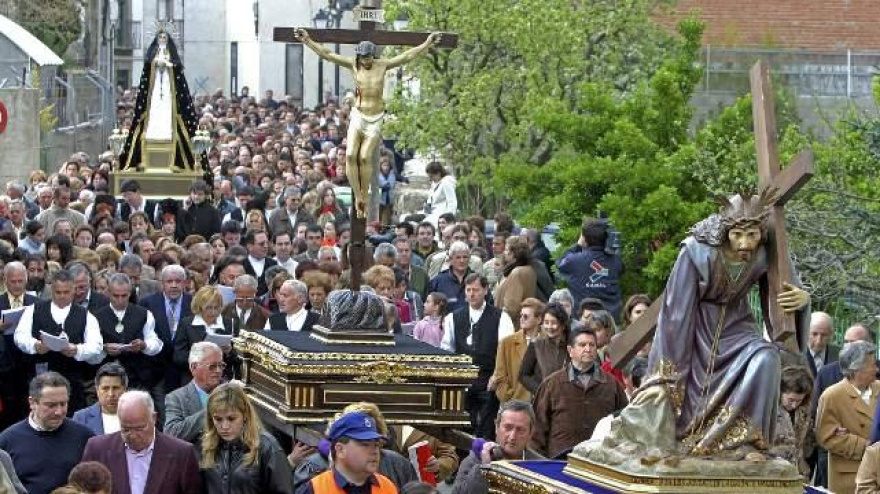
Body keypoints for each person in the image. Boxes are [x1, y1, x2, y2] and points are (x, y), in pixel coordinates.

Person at [606, 193, 810, 459]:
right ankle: (686, 436)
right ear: (726, 231)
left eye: (753, 235)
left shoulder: (767, 251)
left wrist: (803, 302)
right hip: (695, 326)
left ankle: (747, 442)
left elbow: (782, 291)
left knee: (767, 358)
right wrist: (670, 370)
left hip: (738, 327)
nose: (745, 243)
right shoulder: (696, 250)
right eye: (738, 234)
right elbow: (676, 311)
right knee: (673, 393)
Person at [296, 28, 442, 218]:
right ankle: (359, 196)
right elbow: (328, 54)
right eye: (362, 58)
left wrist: (427, 43)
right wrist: (308, 41)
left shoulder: (382, 65)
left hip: (375, 116)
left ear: (373, 56)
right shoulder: (354, 64)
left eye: (368, 58)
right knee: (349, 155)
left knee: (365, 156)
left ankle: (364, 193)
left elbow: (407, 56)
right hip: (358, 113)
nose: (365, 61)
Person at [14, 268, 104, 412]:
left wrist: (77, 350)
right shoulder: (34, 309)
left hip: (72, 379)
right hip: (39, 377)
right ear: (52, 289)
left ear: (73, 290)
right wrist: (35, 345)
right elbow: (19, 336)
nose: (62, 296)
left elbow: (96, 345)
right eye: (58, 292)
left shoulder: (86, 315)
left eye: (66, 292)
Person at [531, 327, 628, 458]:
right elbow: (537, 430)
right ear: (570, 350)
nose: (588, 349)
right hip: (559, 462)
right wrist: (540, 463)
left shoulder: (612, 384)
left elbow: (624, 424)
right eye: (582, 345)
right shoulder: (551, 384)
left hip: (599, 463)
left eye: (592, 345)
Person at [81, 390, 202, 494]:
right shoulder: (97, 449)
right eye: (126, 429)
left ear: (153, 418)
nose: (133, 436)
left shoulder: (181, 453)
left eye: (139, 428)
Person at [440, 274, 514, 440]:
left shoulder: (501, 317)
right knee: (463, 425)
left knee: (487, 425)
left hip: (489, 379)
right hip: (463, 380)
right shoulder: (453, 318)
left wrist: (497, 376)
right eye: (468, 290)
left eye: (476, 290)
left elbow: (505, 351)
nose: (472, 294)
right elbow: (447, 350)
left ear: (485, 290)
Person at [0, 373, 94, 494]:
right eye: (51, 405)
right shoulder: (7, 441)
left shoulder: (85, 436)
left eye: (63, 404)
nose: (58, 412)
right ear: (32, 403)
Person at [199, 383, 293, 493]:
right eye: (218, 419)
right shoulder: (206, 445)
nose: (224, 426)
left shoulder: (267, 447)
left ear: (245, 415)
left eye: (231, 419)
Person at [94, 273, 165, 416]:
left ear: (130, 293)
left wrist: (144, 345)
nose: (120, 300)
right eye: (116, 296)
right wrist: (104, 349)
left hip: (138, 377)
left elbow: (156, 343)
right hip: (108, 378)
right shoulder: (96, 316)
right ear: (108, 292)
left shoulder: (143, 314)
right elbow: (91, 348)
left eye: (124, 296)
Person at [817, 341, 880, 494]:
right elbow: (826, 437)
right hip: (849, 475)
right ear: (856, 369)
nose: (877, 369)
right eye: (872, 365)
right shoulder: (832, 395)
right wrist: (868, 447)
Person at [451, 400, 541, 493]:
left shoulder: (541, 466)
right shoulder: (474, 461)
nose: (512, 436)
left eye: (520, 430)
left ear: (531, 433)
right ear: (496, 427)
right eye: (508, 428)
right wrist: (485, 469)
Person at [297, 411, 399, 494]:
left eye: (376, 445)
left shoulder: (388, 487)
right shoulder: (314, 489)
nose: (375, 451)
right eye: (365, 444)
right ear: (340, 450)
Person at [557, 218, 624, 320]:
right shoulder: (615, 261)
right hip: (611, 321)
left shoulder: (574, 260)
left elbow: (560, 264)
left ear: (584, 238)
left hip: (584, 321)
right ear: (606, 238)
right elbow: (621, 269)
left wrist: (578, 244)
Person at [0, 262, 39, 429]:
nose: (17, 285)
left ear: (26, 280)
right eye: (13, 281)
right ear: (5, 281)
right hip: (4, 367)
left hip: (29, 365)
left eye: (20, 281)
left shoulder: (36, 302)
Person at [173, 286, 238, 383]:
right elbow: (178, 357)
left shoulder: (230, 324)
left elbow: (238, 359)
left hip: (221, 379)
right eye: (208, 308)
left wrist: (229, 352)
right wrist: (201, 357)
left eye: (216, 307)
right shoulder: (187, 324)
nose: (212, 312)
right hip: (193, 379)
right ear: (200, 306)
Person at [165, 342, 224, 443]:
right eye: (212, 366)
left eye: (221, 365)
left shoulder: (230, 392)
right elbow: (171, 434)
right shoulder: (176, 397)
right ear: (194, 367)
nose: (218, 370)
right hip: (196, 457)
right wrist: (210, 411)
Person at [494, 298, 545, 403]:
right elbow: (500, 377)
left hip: (542, 404)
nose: (521, 319)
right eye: (521, 315)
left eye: (526, 316)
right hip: (515, 405)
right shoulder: (507, 343)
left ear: (539, 319)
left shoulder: (549, 342)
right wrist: (509, 398)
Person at [518, 303, 571, 395]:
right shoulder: (536, 345)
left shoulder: (572, 345)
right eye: (546, 322)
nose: (549, 327)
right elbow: (523, 375)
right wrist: (540, 391)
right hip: (542, 400)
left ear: (563, 325)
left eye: (554, 323)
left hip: (567, 398)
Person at [772, 366, 813, 480]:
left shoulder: (804, 411)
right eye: (791, 400)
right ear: (780, 392)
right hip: (773, 473)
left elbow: (807, 441)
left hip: (798, 472)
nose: (794, 405)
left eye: (799, 401)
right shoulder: (768, 411)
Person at [72, 362, 128, 435]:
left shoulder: (137, 414)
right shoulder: (81, 418)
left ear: (124, 389)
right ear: (97, 390)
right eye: (105, 388)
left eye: (116, 388)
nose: (111, 394)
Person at [494, 236, 537, 328]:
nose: (504, 252)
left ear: (513, 253)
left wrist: (496, 321)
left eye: (506, 249)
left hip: (511, 327)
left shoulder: (516, 273)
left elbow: (511, 308)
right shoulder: (528, 269)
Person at [423, 162, 457, 228]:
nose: (430, 179)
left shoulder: (446, 182)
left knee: (425, 226)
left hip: (441, 214)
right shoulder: (434, 183)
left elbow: (452, 202)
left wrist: (448, 219)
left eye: (431, 176)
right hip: (431, 212)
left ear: (438, 173)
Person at [805, 311, 838, 377]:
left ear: (831, 334)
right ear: (806, 332)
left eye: (824, 335)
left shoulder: (839, 356)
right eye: (814, 334)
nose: (819, 341)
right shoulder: (795, 355)